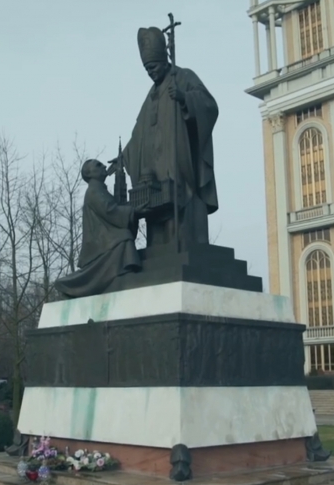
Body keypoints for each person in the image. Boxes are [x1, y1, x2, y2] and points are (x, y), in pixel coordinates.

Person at [119, 26, 220, 247]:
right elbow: (139, 132)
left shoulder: (183, 77)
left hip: (179, 163)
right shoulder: (151, 94)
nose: (150, 72)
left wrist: (185, 98)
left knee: (182, 210)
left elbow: (209, 105)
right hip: (154, 172)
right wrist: (123, 156)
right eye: (147, 69)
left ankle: (185, 242)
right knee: (157, 219)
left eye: (153, 67)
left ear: (165, 60)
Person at [54, 159, 145, 298]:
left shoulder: (100, 190)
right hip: (100, 241)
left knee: (123, 237)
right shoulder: (94, 191)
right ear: (89, 174)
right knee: (124, 237)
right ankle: (122, 272)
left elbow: (113, 209)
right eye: (98, 165)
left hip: (106, 235)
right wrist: (134, 211)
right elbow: (110, 211)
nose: (104, 166)